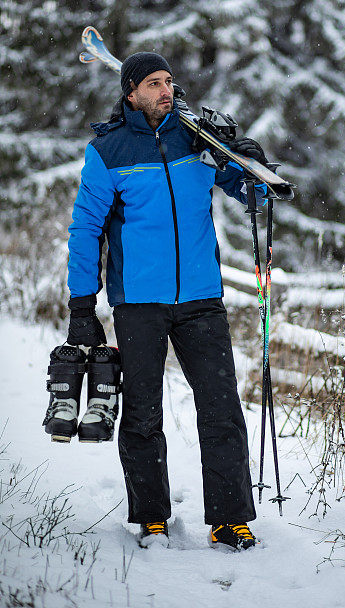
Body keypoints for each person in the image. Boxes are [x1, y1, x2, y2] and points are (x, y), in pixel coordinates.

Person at [66, 51, 268, 551]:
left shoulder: (196, 139)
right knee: (141, 413)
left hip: (202, 298)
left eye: (170, 82)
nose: (166, 90)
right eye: (154, 83)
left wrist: (248, 162)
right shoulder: (108, 151)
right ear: (131, 92)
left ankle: (230, 519)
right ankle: (151, 516)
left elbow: (250, 192)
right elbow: (86, 230)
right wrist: (80, 305)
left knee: (221, 409)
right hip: (138, 302)